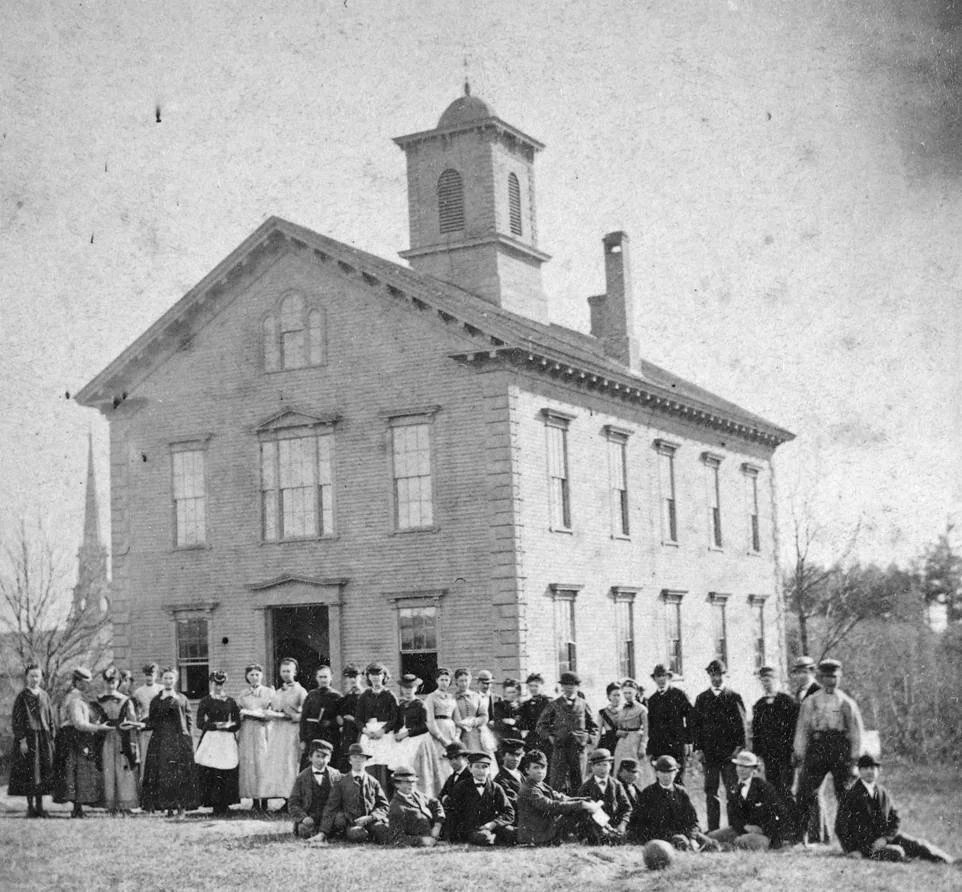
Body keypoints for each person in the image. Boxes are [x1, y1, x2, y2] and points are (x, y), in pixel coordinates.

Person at [835, 754, 953, 863]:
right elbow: (841, 826)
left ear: (879, 771)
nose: (870, 771)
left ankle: (949, 860)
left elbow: (895, 819)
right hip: (864, 845)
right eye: (865, 768)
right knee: (896, 852)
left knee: (918, 844)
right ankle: (903, 857)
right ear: (859, 771)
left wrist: (886, 838)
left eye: (873, 768)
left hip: (884, 838)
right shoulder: (850, 794)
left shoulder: (882, 792)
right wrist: (852, 850)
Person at [794, 659, 864, 843]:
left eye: (834, 677)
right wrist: (799, 753)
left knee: (845, 794)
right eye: (827, 677)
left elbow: (856, 732)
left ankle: (851, 839)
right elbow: (803, 728)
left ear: (839, 677)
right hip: (817, 748)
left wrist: (855, 759)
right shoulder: (811, 701)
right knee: (805, 792)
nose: (831, 681)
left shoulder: (846, 702)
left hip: (840, 748)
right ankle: (800, 837)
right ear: (821, 678)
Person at [691, 659, 747, 832]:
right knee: (711, 792)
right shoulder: (702, 698)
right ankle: (714, 830)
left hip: (729, 754)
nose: (716, 678)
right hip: (710, 755)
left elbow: (741, 724)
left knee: (732, 792)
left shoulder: (733, 696)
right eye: (713, 675)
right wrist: (698, 749)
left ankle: (733, 829)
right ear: (709, 676)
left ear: (725, 675)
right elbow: (696, 726)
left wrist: (739, 748)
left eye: (719, 675)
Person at [53, 667, 111, 818]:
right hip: (74, 737)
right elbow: (79, 723)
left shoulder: (79, 697)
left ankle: (78, 808)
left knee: (80, 772)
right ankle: (77, 808)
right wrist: (99, 727)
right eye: (85, 682)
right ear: (77, 682)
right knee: (76, 772)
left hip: (78, 736)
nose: (88, 685)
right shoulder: (74, 699)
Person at [141, 667, 199, 817]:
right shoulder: (156, 700)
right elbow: (152, 721)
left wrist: (189, 737)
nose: (168, 681)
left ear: (176, 680)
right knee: (164, 773)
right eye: (166, 678)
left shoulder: (182, 699)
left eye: (171, 678)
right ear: (161, 680)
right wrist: (142, 724)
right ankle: (168, 807)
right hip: (161, 741)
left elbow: (189, 720)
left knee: (179, 773)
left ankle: (181, 807)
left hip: (179, 740)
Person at [631, 755, 719, 852]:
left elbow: (692, 820)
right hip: (658, 836)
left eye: (669, 772)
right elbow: (640, 824)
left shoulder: (681, 792)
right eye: (662, 772)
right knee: (681, 842)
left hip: (683, 833)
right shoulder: (648, 793)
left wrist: (692, 837)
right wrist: (671, 836)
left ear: (676, 773)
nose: (666, 776)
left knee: (711, 844)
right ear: (656, 773)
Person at [515, 749, 602, 846]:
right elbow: (550, 806)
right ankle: (600, 839)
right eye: (536, 768)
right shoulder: (529, 789)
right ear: (527, 770)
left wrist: (585, 801)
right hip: (538, 835)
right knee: (580, 810)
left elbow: (561, 797)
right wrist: (582, 804)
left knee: (585, 804)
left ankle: (606, 832)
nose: (540, 771)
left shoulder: (540, 784)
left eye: (543, 768)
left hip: (545, 829)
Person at [707, 751, 787, 850]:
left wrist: (763, 829)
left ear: (753, 769)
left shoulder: (764, 787)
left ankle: (727, 847)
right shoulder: (734, 788)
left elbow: (779, 813)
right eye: (739, 766)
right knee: (710, 837)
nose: (741, 769)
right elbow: (733, 816)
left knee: (741, 841)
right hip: (741, 830)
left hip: (763, 834)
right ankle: (722, 846)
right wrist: (745, 827)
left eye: (745, 767)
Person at [535, 671, 598, 794]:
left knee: (579, 782)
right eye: (566, 684)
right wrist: (550, 737)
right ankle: (555, 809)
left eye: (573, 684)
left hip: (578, 749)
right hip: (560, 748)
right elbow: (541, 725)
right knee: (556, 782)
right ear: (562, 687)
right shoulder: (554, 704)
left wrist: (586, 738)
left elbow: (594, 728)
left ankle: (579, 809)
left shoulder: (583, 704)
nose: (570, 687)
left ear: (577, 686)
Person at [8, 663, 57, 818]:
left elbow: (50, 717)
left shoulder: (45, 695)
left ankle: (40, 806)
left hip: (43, 738)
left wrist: (52, 736)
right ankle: (30, 807)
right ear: (27, 677)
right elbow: (17, 720)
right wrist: (22, 739)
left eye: (37, 676)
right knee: (30, 772)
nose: (35, 679)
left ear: (41, 678)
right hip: (29, 739)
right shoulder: (22, 697)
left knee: (42, 772)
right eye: (32, 676)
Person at [317, 743, 390, 844]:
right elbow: (331, 807)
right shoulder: (341, 782)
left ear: (366, 760)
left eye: (361, 757)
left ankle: (373, 834)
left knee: (384, 829)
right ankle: (356, 834)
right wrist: (322, 832)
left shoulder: (373, 782)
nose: (358, 760)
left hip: (370, 820)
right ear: (350, 760)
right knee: (358, 834)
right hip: (352, 822)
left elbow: (384, 806)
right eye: (354, 757)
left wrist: (372, 817)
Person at [790, 655, 828, 844]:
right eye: (798, 672)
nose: (801, 676)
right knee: (805, 793)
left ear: (812, 672)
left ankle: (817, 837)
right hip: (801, 751)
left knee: (814, 793)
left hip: (816, 751)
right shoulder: (798, 693)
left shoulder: (818, 692)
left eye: (805, 672)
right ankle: (818, 835)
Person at [92, 666, 140, 815]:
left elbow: (132, 719)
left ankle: (125, 803)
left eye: (113, 682)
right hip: (105, 737)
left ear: (118, 682)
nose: (110, 685)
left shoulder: (125, 700)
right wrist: (98, 725)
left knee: (123, 769)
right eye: (107, 682)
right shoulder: (98, 700)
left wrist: (132, 729)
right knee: (108, 768)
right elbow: (93, 719)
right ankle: (110, 804)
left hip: (121, 737)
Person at [195, 670, 241, 817]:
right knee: (212, 770)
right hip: (212, 738)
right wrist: (215, 726)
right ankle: (213, 803)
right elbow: (199, 722)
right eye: (216, 683)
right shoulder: (206, 701)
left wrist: (229, 726)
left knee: (226, 769)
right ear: (211, 683)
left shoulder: (230, 701)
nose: (218, 686)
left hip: (226, 738)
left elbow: (237, 722)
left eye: (221, 683)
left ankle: (225, 803)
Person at [445, 751, 516, 845]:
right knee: (483, 838)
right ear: (470, 768)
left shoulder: (496, 787)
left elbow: (509, 812)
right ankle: (490, 839)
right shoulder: (461, 787)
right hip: (470, 828)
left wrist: (493, 824)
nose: (481, 771)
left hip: (492, 826)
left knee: (512, 833)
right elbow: (452, 812)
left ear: (489, 769)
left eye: (484, 767)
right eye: (477, 767)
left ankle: (494, 838)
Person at [750, 666, 798, 808]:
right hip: (768, 755)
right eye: (763, 681)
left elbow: (794, 729)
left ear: (776, 680)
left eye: (769, 680)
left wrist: (793, 751)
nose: (767, 684)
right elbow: (756, 732)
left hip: (785, 754)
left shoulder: (788, 702)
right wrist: (757, 754)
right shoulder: (759, 705)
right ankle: (778, 824)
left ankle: (792, 824)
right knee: (772, 789)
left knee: (786, 789)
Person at [392, 673, 446, 797]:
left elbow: (424, 726)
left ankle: (423, 796)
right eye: (405, 688)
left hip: (418, 740)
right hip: (403, 741)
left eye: (410, 688)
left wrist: (407, 733)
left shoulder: (420, 704)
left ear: (416, 689)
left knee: (420, 771)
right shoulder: (400, 706)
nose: (407, 691)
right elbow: (397, 722)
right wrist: (396, 733)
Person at [264, 656, 306, 811]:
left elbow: (305, 714)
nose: (286, 674)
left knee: (291, 764)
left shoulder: (300, 691)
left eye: (289, 671)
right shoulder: (278, 691)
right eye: (283, 671)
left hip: (292, 731)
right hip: (278, 731)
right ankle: (285, 799)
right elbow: (274, 709)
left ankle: (293, 800)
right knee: (280, 764)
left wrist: (294, 716)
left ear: (295, 672)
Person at [237, 663, 275, 812]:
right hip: (247, 731)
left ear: (262, 676)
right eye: (251, 675)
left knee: (262, 763)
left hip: (263, 730)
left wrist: (254, 713)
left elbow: (270, 713)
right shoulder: (243, 694)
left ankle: (265, 800)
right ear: (247, 677)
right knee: (250, 764)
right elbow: (239, 712)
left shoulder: (269, 693)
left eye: (257, 674)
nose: (254, 677)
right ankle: (254, 801)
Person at [645, 664, 693, 782]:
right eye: (658, 676)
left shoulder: (679, 695)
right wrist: (650, 750)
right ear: (654, 679)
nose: (661, 679)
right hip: (659, 746)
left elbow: (691, 718)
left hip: (677, 745)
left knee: (677, 779)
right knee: (661, 780)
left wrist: (688, 741)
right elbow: (651, 726)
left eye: (663, 676)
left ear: (669, 677)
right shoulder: (652, 700)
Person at [356, 662, 398, 790]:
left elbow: (395, 718)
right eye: (372, 675)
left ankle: (385, 800)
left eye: (378, 674)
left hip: (384, 734)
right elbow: (358, 718)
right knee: (369, 766)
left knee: (384, 767)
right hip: (368, 733)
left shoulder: (390, 695)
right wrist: (365, 731)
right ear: (368, 677)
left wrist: (383, 730)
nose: (375, 677)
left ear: (384, 676)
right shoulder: (364, 696)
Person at [288, 739, 342, 839]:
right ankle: (318, 832)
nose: (321, 760)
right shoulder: (302, 778)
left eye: (324, 757)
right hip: (310, 817)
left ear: (329, 759)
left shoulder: (336, 775)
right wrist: (303, 817)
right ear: (310, 758)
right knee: (304, 830)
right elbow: (293, 802)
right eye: (317, 756)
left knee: (340, 824)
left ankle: (326, 831)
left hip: (329, 817)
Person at [577, 748, 632, 844]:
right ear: (592, 767)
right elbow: (582, 814)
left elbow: (627, 808)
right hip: (594, 829)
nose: (602, 769)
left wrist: (622, 824)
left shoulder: (617, 785)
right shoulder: (585, 787)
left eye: (605, 765)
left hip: (614, 827)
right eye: (598, 765)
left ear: (610, 766)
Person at [388, 766, 445, 847]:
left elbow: (436, 803)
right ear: (397, 784)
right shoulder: (396, 807)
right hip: (425, 840)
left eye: (413, 782)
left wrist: (437, 825)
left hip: (435, 834)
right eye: (407, 782)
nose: (411, 785)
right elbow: (396, 838)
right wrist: (421, 840)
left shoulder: (417, 795)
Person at [299, 665, 341, 770]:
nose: (323, 680)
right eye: (321, 677)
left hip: (329, 736)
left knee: (329, 764)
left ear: (331, 677)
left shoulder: (337, 696)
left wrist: (330, 723)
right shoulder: (311, 695)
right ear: (316, 678)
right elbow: (303, 718)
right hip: (312, 736)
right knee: (309, 765)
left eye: (325, 677)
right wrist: (303, 739)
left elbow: (340, 720)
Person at [132, 663, 162, 785]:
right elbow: (135, 711)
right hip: (145, 726)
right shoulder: (138, 692)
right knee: (145, 757)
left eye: (152, 675)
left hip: (159, 726)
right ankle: (145, 787)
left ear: (156, 675)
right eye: (147, 675)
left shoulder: (161, 689)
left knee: (159, 757)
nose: (149, 678)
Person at [613, 679, 648, 780]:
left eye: (629, 693)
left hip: (636, 740)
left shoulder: (642, 709)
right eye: (625, 693)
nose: (627, 695)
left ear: (635, 692)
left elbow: (646, 729)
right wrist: (618, 732)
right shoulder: (621, 709)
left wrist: (643, 746)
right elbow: (617, 726)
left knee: (635, 768)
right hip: (622, 742)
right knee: (619, 767)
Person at [335, 664, 364, 772]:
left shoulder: (365, 696)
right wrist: (341, 720)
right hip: (347, 734)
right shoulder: (345, 697)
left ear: (360, 677)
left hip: (360, 733)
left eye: (355, 676)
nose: (353, 679)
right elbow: (339, 713)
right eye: (349, 677)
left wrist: (352, 719)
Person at [453, 668, 490, 753]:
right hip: (459, 734)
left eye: (466, 680)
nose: (464, 683)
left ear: (470, 680)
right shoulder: (452, 698)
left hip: (476, 734)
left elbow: (484, 716)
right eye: (461, 681)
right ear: (456, 682)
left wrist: (473, 722)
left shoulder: (477, 697)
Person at [519, 672, 553, 762]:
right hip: (532, 740)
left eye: (536, 686)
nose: (533, 688)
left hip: (546, 740)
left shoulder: (549, 703)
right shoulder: (526, 705)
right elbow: (523, 723)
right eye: (531, 686)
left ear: (542, 686)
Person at [491, 678, 524, 748]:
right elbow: (496, 723)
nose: (511, 695)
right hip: (503, 739)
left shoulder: (522, 707)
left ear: (518, 692)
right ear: (505, 693)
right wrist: (505, 722)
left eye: (513, 692)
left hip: (518, 740)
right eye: (509, 692)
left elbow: (525, 723)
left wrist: (514, 722)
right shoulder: (498, 706)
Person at [615, 759, 643, 842]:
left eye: (636, 772)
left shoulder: (634, 788)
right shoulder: (616, 786)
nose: (635, 775)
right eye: (632, 772)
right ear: (621, 772)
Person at [493, 738, 526, 805]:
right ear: (503, 756)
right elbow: (514, 801)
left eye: (518, 755)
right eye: (511, 755)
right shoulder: (500, 779)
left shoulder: (520, 774)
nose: (515, 759)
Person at [596, 683, 622, 754]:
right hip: (609, 744)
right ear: (609, 696)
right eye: (614, 695)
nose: (616, 698)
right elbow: (599, 732)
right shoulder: (602, 712)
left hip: (623, 743)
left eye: (618, 695)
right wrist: (595, 747)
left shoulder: (626, 711)